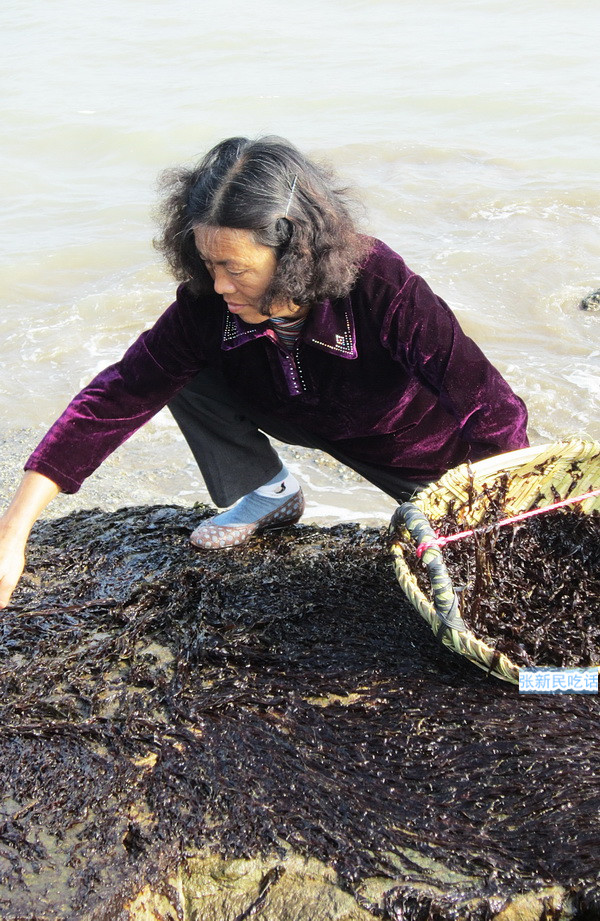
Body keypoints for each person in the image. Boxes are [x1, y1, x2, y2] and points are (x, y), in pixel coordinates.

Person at [0, 136, 529, 607]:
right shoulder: (207, 302)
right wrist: (14, 531)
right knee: (176, 373)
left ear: (295, 252)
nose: (220, 284)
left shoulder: (380, 285)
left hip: (407, 448)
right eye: (209, 263)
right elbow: (116, 396)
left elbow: (495, 412)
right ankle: (269, 491)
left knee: (482, 573)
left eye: (235, 268)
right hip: (290, 409)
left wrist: (484, 519)